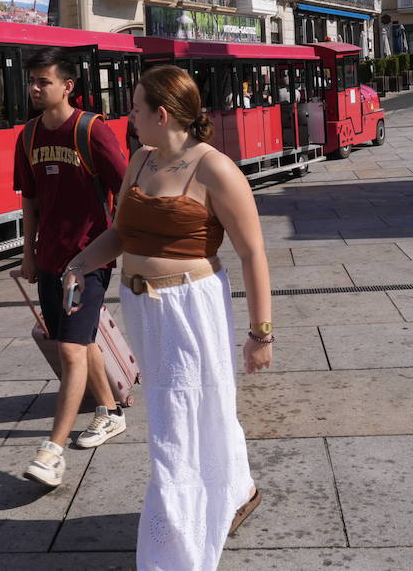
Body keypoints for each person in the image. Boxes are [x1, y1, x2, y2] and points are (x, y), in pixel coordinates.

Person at [62, 65, 274, 569]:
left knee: (176, 421)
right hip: (140, 305)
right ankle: (237, 490)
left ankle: (174, 549)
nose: (128, 117)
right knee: (194, 408)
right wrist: (82, 260)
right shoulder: (139, 160)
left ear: (161, 114)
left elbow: (253, 253)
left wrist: (260, 333)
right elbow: (123, 234)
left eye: (134, 108)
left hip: (189, 306)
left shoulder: (215, 169)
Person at [15, 47, 128, 488]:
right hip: (48, 258)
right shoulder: (27, 137)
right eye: (33, 81)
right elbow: (30, 199)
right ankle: (110, 411)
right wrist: (27, 253)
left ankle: (52, 453)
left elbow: (127, 188)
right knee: (78, 341)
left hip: (88, 259)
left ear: (68, 86)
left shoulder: (91, 131)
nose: (36, 88)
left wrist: (117, 244)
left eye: (44, 81)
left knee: (69, 350)